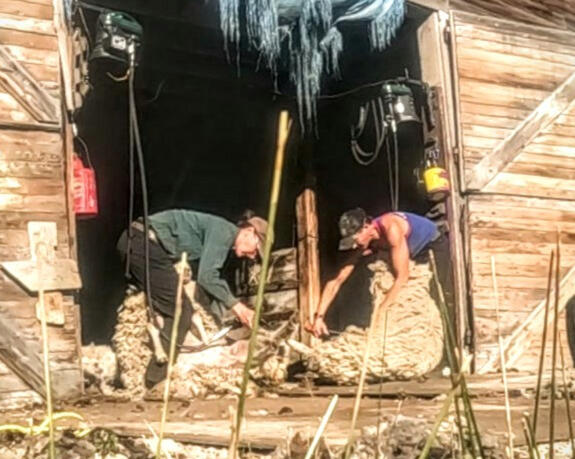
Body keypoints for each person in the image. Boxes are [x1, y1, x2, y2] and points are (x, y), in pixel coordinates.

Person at [117, 209, 267, 388]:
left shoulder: (222, 235)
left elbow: (204, 278)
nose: (253, 256)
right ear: (249, 231)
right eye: (256, 250)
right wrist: (237, 306)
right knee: (181, 311)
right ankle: (155, 381)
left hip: (138, 243)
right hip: (144, 244)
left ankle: (141, 371)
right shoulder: (224, 232)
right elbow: (207, 276)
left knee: (166, 310)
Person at [310, 207, 452, 338]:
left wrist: (380, 313)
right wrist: (319, 317)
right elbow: (337, 280)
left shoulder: (391, 228)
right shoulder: (365, 242)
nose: (354, 245)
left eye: (355, 240)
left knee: (436, 294)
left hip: (432, 245)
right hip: (405, 250)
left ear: (366, 227)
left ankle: (443, 337)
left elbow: (402, 277)